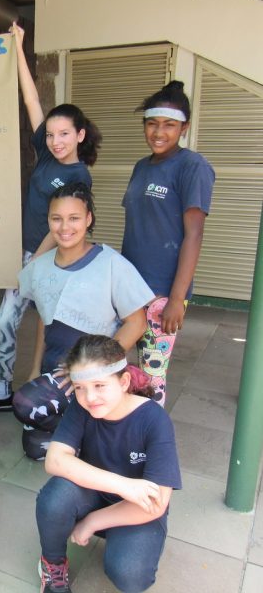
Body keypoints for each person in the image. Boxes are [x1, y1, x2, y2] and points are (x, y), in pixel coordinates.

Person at [0, 22, 102, 413]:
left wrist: (34, 263)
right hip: (27, 253)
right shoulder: (46, 154)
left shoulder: (78, 176)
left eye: (64, 134)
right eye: (51, 135)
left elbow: (64, 228)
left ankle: (45, 385)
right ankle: (2, 390)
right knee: (5, 321)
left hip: (50, 259)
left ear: (80, 136)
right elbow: (31, 99)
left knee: (50, 323)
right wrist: (19, 46)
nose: (56, 141)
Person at [13, 182, 154, 460]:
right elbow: (44, 321)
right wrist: (35, 370)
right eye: (57, 218)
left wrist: (91, 367)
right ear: (48, 221)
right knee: (34, 447)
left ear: (88, 219)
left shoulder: (112, 264)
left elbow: (137, 324)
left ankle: (99, 423)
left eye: (74, 218)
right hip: (56, 373)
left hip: (95, 374)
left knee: (26, 403)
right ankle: (92, 429)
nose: (65, 227)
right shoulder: (40, 267)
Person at [36, 335, 181, 593]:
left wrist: (92, 522)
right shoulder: (82, 407)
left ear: (123, 382)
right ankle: (52, 564)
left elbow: (156, 502)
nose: (89, 397)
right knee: (54, 499)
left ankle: (114, 536)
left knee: (130, 575)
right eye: (79, 387)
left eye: (99, 385)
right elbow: (55, 459)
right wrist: (123, 485)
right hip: (93, 493)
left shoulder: (154, 420)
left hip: (136, 508)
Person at [122, 81, 215, 406]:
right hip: (129, 288)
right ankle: (124, 426)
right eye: (152, 123)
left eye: (169, 125)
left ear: (184, 128)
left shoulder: (193, 167)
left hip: (162, 293)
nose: (159, 132)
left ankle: (151, 433)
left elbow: (194, 235)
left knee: (152, 375)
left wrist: (176, 298)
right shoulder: (141, 166)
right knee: (121, 367)